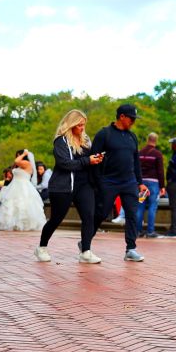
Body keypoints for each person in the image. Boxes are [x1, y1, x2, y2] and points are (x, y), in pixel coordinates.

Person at [35, 110, 104, 263]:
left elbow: (88, 160)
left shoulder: (86, 140)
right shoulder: (60, 141)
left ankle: (86, 252)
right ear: (71, 124)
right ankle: (41, 247)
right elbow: (64, 164)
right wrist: (88, 161)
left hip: (84, 185)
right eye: (79, 125)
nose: (82, 128)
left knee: (88, 217)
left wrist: (97, 159)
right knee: (56, 219)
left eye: (83, 125)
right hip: (63, 186)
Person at [90, 104, 148, 261]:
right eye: (131, 118)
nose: (133, 122)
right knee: (101, 213)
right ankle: (85, 243)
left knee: (132, 214)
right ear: (121, 116)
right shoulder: (104, 134)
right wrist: (97, 182)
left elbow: (135, 161)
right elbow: (93, 159)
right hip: (108, 181)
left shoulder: (132, 137)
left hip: (129, 182)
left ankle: (131, 248)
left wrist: (140, 182)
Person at [0, 149, 46, 232]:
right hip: (15, 185)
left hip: (23, 186)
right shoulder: (20, 165)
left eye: (19, 155)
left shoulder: (26, 163)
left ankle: (24, 225)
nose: (18, 157)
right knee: (11, 205)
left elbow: (16, 160)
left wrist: (24, 154)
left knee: (22, 205)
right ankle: (11, 224)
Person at [136, 132, 165, 239]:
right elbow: (160, 171)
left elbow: (136, 168)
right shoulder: (157, 154)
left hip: (142, 183)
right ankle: (150, 231)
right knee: (152, 207)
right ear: (155, 141)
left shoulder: (140, 153)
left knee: (140, 207)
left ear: (148, 140)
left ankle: (138, 231)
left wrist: (138, 182)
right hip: (153, 183)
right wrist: (162, 186)